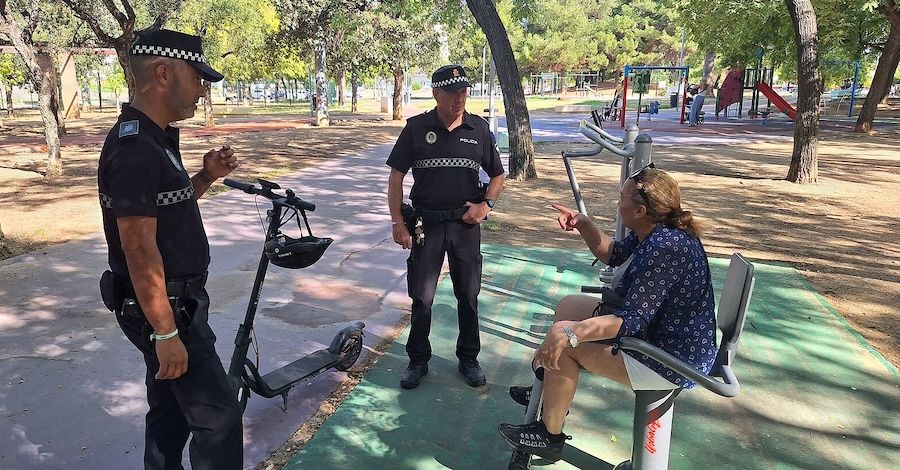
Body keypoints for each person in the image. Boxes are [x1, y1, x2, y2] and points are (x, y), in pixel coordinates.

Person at [498, 166, 716, 463]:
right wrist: (583, 223)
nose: (618, 203)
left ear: (640, 210)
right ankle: (554, 387)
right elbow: (612, 253)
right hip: (658, 335)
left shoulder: (665, 248)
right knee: (569, 306)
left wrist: (571, 333)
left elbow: (632, 320)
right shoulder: (655, 229)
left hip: (671, 358)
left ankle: (549, 436)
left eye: (621, 198)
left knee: (566, 345)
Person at [97, 29, 242, 469]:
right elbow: (139, 249)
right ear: (163, 73)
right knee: (219, 419)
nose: (202, 89)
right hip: (168, 309)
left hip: (171, 303)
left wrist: (206, 177)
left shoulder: (154, 138)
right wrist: (166, 333)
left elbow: (164, 210)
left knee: (170, 412)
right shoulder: (135, 149)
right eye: (197, 78)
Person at [386, 64, 506, 390]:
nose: (459, 99)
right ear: (436, 93)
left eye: (464, 92)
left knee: (468, 294)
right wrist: (397, 221)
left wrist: (486, 205)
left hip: (465, 226)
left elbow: (498, 175)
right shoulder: (416, 129)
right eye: (452, 92)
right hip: (425, 225)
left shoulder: (478, 129)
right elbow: (396, 177)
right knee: (422, 296)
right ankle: (418, 359)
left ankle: (469, 358)